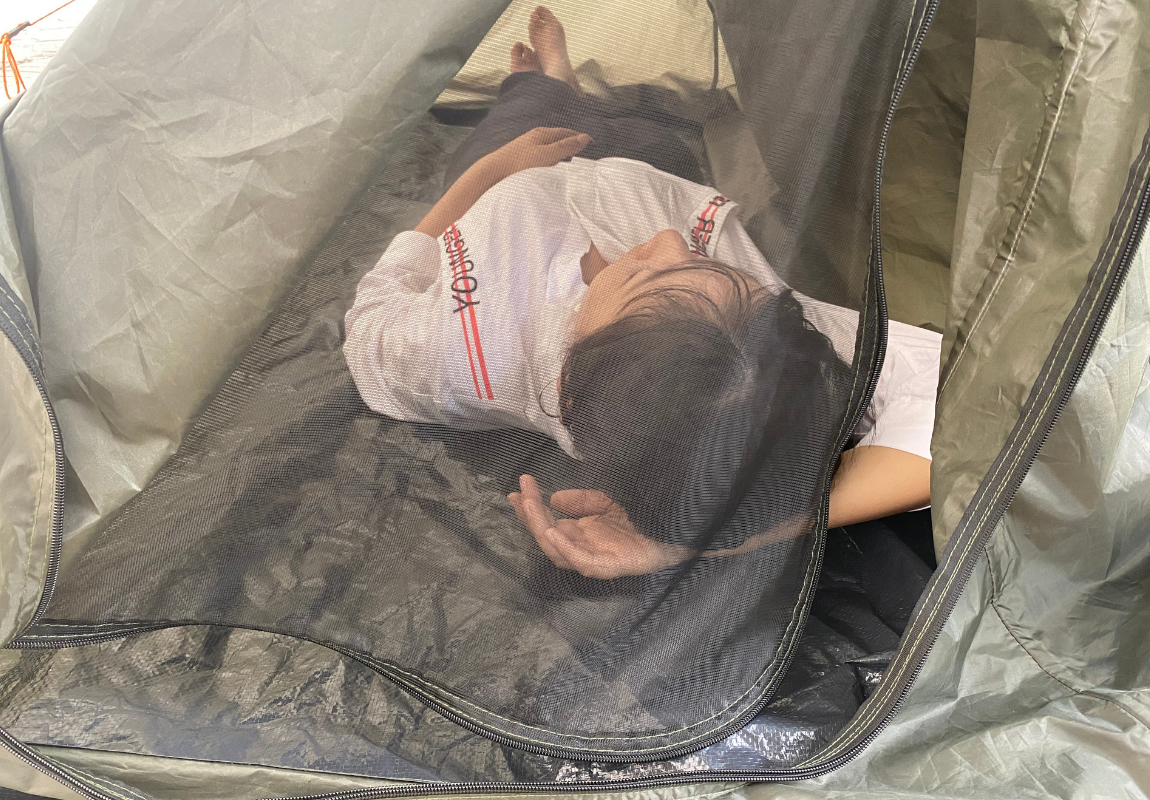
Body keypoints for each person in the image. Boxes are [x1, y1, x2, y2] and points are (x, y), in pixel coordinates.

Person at [344, 6, 939, 580]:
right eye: (718, 269)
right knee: (648, 140)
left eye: (646, 278)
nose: (668, 242)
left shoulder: (457, 352)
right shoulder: (754, 343)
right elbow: (952, 419)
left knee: (525, 112)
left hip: (504, 199)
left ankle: (545, 88)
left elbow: (372, 312)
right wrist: (707, 542)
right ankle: (568, 94)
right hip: (646, 184)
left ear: (571, 383)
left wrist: (489, 174)